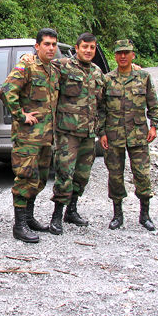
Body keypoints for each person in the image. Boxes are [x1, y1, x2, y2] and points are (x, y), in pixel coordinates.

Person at [0, 28, 60, 243]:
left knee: (39, 179)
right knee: (25, 177)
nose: (51, 48)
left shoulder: (52, 70)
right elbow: (6, 90)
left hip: (45, 137)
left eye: (54, 44)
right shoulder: (27, 66)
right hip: (27, 137)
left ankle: (30, 217)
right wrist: (20, 115)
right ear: (37, 46)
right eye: (46, 44)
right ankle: (19, 225)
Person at [99, 39, 158, 231]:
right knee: (115, 176)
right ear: (115, 56)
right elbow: (101, 109)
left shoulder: (143, 77)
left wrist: (154, 126)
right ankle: (117, 215)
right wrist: (102, 132)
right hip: (114, 135)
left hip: (138, 135)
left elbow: (153, 103)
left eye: (126, 53)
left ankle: (144, 215)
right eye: (119, 53)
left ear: (132, 55)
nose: (122, 56)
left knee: (142, 174)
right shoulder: (107, 79)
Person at [48, 32, 105, 234]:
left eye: (92, 48)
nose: (89, 51)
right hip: (67, 133)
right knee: (64, 174)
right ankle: (56, 216)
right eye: (85, 47)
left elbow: (103, 104)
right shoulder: (63, 66)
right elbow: (42, 66)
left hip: (89, 134)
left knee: (82, 175)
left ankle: (71, 211)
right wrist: (28, 58)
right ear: (77, 48)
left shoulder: (98, 73)